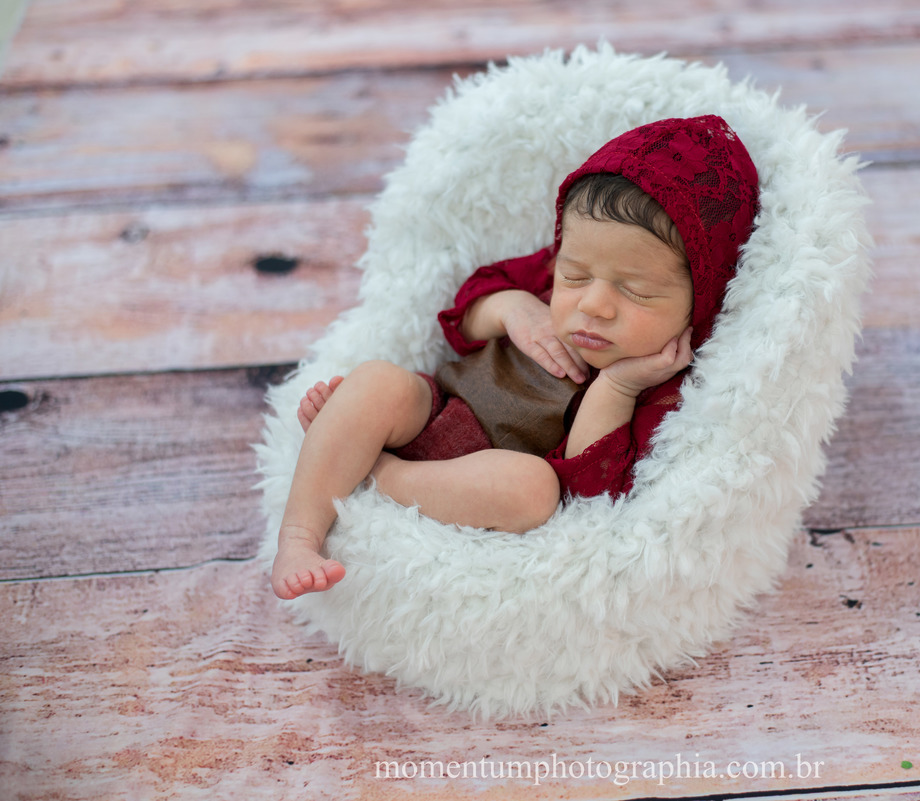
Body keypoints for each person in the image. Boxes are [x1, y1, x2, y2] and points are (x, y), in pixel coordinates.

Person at [270, 115, 759, 600]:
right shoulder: (550, 276)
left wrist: (619, 387)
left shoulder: (666, 381)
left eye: (636, 292)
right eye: (575, 277)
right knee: (381, 381)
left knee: (533, 491)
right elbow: (463, 316)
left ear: (701, 300)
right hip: (437, 407)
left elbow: (590, 488)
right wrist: (510, 308)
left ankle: (377, 472)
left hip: (491, 475)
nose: (593, 304)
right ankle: (299, 538)